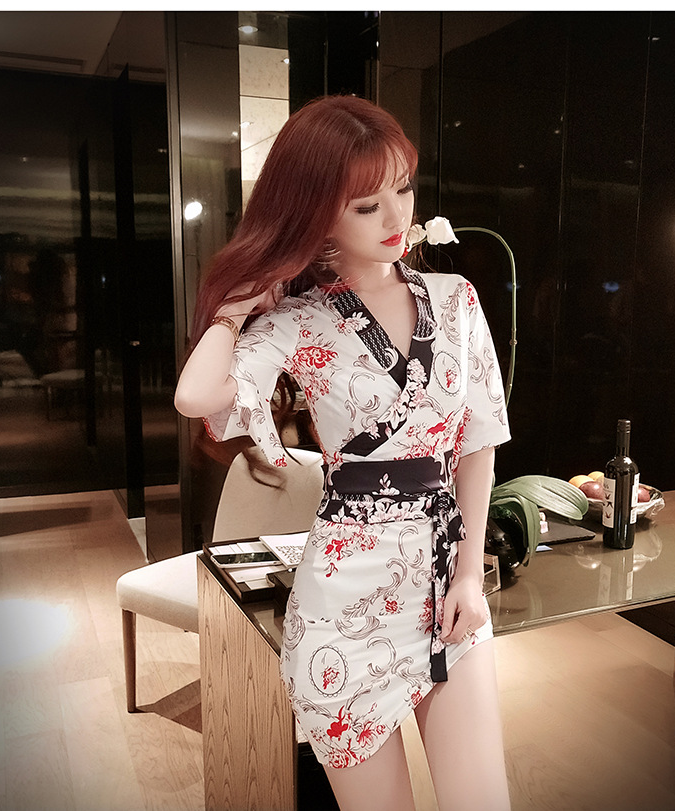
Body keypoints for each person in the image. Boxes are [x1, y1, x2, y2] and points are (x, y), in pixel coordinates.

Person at [175, 94, 512, 811]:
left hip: (444, 592)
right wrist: (234, 309)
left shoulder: (456, 298)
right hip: (341, 613)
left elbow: (478, 441)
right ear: (317, 213)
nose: (395, 217)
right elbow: (196, 396)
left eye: (403, 190)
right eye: (365, 205)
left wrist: (470, 574)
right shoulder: (297, 322)